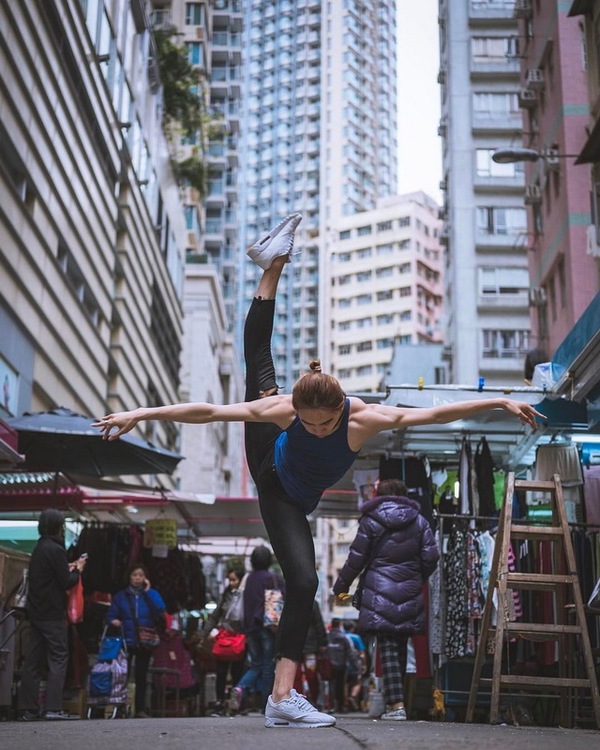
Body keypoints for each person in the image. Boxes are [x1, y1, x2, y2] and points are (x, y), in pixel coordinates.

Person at [93, 213, 545, 728]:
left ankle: (273, 263)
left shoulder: (364, 419)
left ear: (341, 412)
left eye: (324, 423)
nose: (318, 428)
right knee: (304, 580)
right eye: (306, 421)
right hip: (275, 483)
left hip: (295, 472)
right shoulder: (287, 410)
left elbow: (435, 411)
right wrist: (139, 414)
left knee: (260, 359)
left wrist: (501, 401)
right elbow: (207, 411)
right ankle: (281, 698)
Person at [333, 479, 440, 720]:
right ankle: (397, 703)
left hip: (378, 590)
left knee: (388, 647)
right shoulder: (420, 521)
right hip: (410, 589)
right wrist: (415, 575)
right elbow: (432, 557)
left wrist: (340, 587)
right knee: (400, 644)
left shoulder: (371, 521)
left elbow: (355, 559)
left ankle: (396, 705)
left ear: (379, 495)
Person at [18, 508, 87, 721]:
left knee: (32, 660)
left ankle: (28, 708)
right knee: (58, 657)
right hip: (52, 614)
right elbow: (66, 581)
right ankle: (53, 707)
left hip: (35, 612)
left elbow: (47, 577)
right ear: (59, 527)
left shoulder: (39, 547)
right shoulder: (57, 549)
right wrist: (78, 569)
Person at [106, 563, 166, 718]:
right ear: (129, 577)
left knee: (141, 676)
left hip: (145, 641)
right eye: (135, 575)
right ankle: (120, 706)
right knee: (122, 674)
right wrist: (113, 621)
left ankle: (140, 708)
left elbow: (160, 609)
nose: (138, 578)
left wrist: (148, 592)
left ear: (145, 578)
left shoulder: (151, 594)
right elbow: (111, 614)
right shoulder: (121, 596)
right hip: (126, 639)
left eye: (141, 575)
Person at [229, 545, 284, 714]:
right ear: (269, 560)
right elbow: (281, 597)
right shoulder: (272, 578)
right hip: (267, 627)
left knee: (256, 664)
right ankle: (267, 705)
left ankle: (239, 688)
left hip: (250, 628)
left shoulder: (248, 578)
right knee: (268, 666)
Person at [204, 564, 247, 715]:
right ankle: (220, 702)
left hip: (240, 639)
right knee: (221, 671)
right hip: (225, 638)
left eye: (234, 580)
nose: (231, 583)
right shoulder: (226, 595)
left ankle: (236, 704)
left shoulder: (246, 595)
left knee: (237, 672)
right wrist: (206, 632)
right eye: (229, 579)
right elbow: (216, 616)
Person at [293, 599, 328, 707]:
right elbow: (318, 622)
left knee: (296, 675)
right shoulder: (312, 602)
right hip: (311, 645)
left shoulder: (289, 600)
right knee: (311, 675)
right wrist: (323, 642)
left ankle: (297, 699)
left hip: (293, 644)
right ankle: (313, 700)